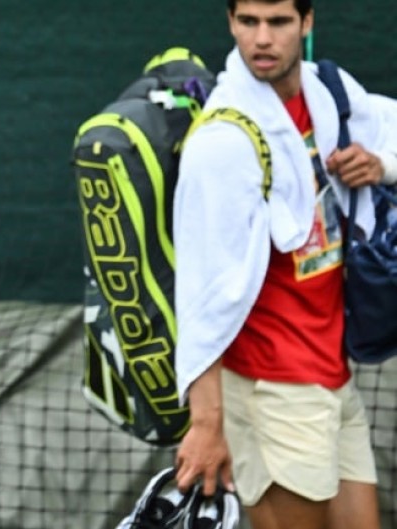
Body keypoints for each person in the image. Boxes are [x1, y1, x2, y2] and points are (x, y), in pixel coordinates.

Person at [171, 1, 397, 529]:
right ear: (230, 23)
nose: (263, 39)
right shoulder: (222, 142)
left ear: (308, 21)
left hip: (332, 379)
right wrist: (207, 424)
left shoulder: (328, 94)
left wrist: (378, 164)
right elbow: (203, 293)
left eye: (278, 22)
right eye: (248, 22)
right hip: (269, 388)